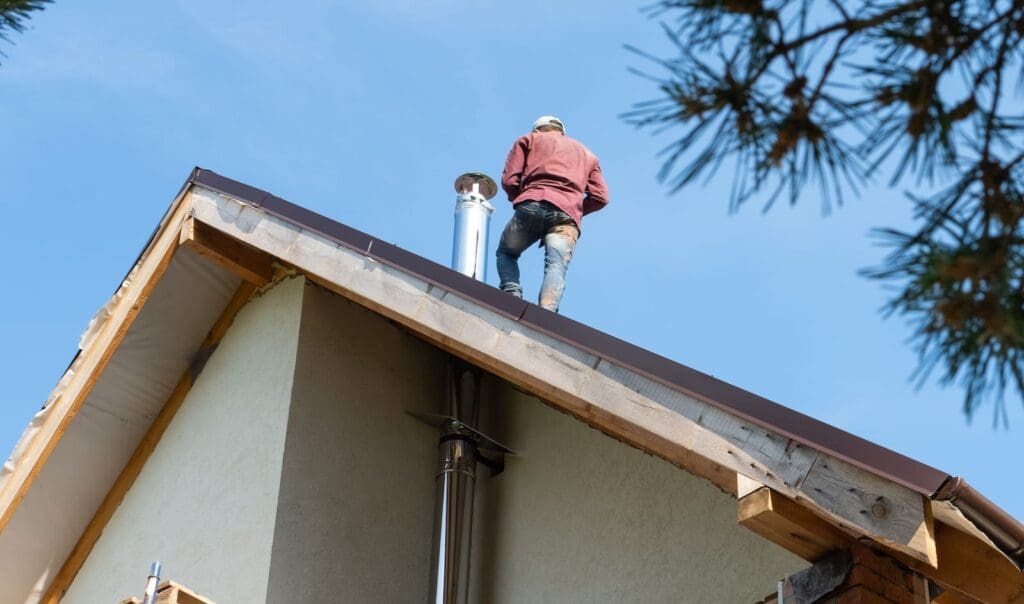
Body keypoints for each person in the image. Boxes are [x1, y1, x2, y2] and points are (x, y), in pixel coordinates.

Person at [496, 115, 610, 312]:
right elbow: (601, 197)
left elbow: (509, 181)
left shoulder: (529, 140)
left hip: (533, 203)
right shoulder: (588, 155)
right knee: (556, 265)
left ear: (537, 130)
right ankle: (547, 312)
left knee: (506, 252)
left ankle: (512, 294)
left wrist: (522, 198)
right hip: (567, 218)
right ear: (561, 132)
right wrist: (573, 209)